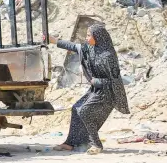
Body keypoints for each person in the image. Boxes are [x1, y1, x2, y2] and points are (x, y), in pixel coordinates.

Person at [46, 24, 130, 155]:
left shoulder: (108, 56)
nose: (86, 38)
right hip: (96, 90)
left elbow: (115, 82)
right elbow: (74, 47)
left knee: (84, 111)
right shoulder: (91, 49)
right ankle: (71, 143)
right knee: (76, 109)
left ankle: (96, 145)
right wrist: (54, 41)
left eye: (89, 35)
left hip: (109, 92)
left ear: (98, 37)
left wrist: (95, 81)